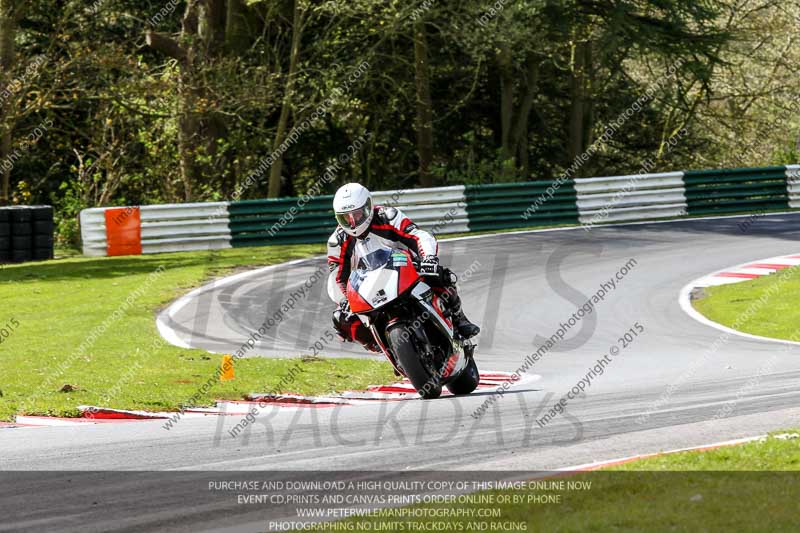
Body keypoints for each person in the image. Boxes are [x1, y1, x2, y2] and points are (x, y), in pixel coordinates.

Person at [327, 183, 480, 352]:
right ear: (337, 218)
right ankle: (383, 347)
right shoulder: (337, 241)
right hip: (368, 287)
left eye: (356, 215)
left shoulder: (387, 216)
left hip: (406, 269)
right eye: (345, 218)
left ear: (368, 207)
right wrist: (344, 300)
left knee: (441, 275)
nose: (353, 223)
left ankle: (459, 318)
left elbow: (418, 236)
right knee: (340, 318)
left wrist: (428, 258)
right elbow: (337, 276)